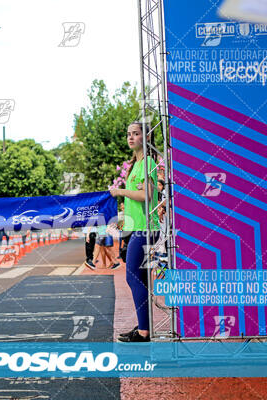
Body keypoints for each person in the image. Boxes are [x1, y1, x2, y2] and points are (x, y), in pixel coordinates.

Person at [109, 121, 159, 342]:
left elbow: (146, 196)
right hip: (135, 228)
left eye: (136, 134)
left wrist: (121, 191)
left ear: (146, 138)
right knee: (140, 279)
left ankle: (144, 331)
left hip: (145, 229)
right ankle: (144, 327)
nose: (131, 138)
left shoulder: (147, 161)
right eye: (128, 134)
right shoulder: (135, 165)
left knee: (132, 277)